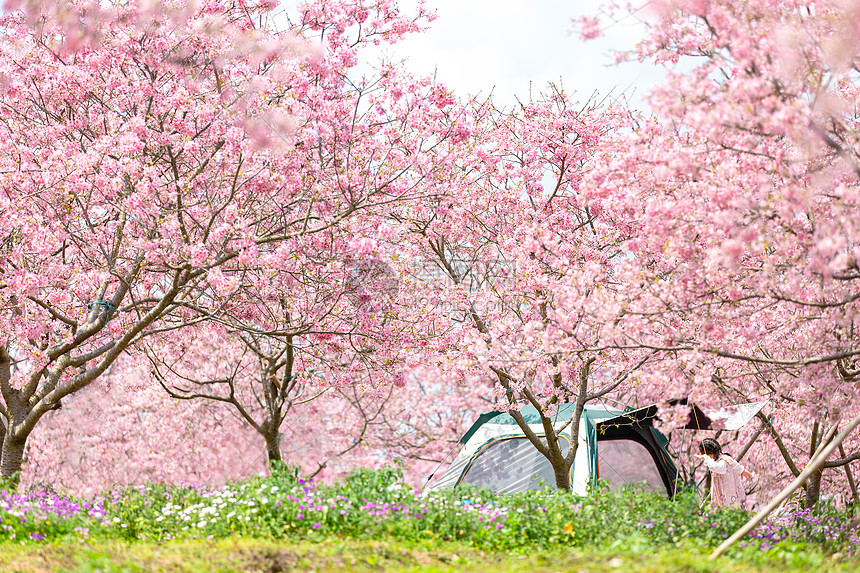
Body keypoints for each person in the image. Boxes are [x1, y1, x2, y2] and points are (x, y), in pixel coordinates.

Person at [695, 438, 753, 508]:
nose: (708, 457)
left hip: (728, 492)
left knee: (730, 507)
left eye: (708, 454)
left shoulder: (723, 460)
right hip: (721, 492)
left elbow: (719, 468)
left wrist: (707, 458)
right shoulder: (718, 460)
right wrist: (742, 471)